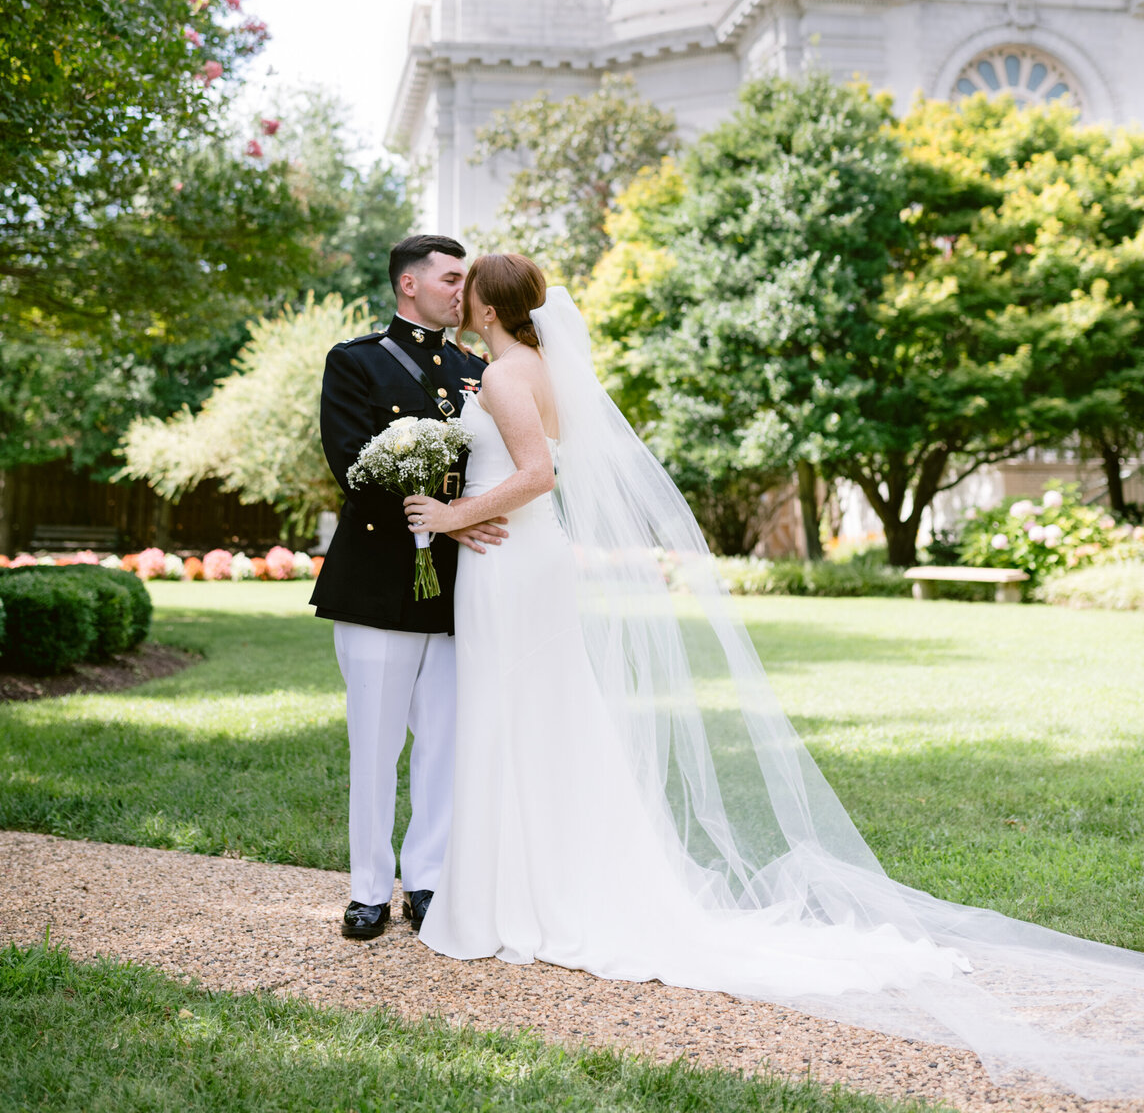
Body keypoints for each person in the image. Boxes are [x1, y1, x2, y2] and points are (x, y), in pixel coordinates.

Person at [401, 252, 1144, 1101]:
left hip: (508, 561)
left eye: (468, 290)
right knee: (536, 715)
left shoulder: (501, 376)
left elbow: (538, 474)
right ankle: (526, 884)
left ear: (489, 311)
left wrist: (451, 514)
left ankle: (514, 898)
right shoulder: (535, 366)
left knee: (515, 713)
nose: (457, 299)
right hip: (525, 558)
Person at [311, 234, 506, 941]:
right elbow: (353, 469)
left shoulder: (475, 369)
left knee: (446, 741)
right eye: (453, 279)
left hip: (458, 591)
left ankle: (425, 880)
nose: (464, 290)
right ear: (409, 286)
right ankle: (368, 888)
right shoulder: (356, 361)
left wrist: (464, 520)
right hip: (376, 584)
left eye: (466, 279)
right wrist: (443, 523)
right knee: (376, 742)